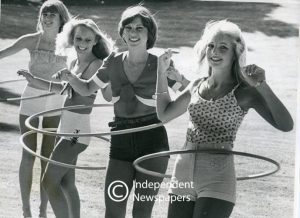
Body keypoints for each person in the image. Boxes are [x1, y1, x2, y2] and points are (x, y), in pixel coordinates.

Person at [55, 5, 189, 218]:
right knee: (113, 211)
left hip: (152, 141)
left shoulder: (160, 63)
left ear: (149, 33)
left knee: (142, 211)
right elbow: (88, 87)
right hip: (120, 140)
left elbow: (191, 94)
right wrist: (70, 77)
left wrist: (180, 78)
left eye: (139, 28)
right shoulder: (113, 61)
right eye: (128, 27)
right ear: (122, 32)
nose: (133, 33)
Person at [156, 20, 294, 218]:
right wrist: (161, 73)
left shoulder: (245, 92)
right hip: (182, 173)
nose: (215, 52)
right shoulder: (196, 85)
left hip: (217, 177)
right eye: (211, 46)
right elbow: (164, 114)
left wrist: (262, 85)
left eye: (223, 48)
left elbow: (286, 125)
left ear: (236, 53)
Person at [19, 18, 114, 218]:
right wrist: (33, 80)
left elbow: (85, 88)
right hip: (66, 130)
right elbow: (63, 90)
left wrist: (70, 77)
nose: (82, 43)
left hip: (77, 133)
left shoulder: (97, 64)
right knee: (66, 182)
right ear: (72, 38)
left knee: (48, 181)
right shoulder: (73, 61)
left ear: (96, 41)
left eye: (88, 40)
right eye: (78, 38)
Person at [0, 1, 71, 217]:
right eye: (44, 14)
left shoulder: (69, 42)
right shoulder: (31, 40)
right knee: (28, 155)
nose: (47, 18)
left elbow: (94, 59)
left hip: (56, 101)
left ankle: (42, 209)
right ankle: (26, 209)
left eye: (52, 15)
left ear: (61, 18)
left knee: (46, 157)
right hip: (31, 99)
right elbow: (2, 53)